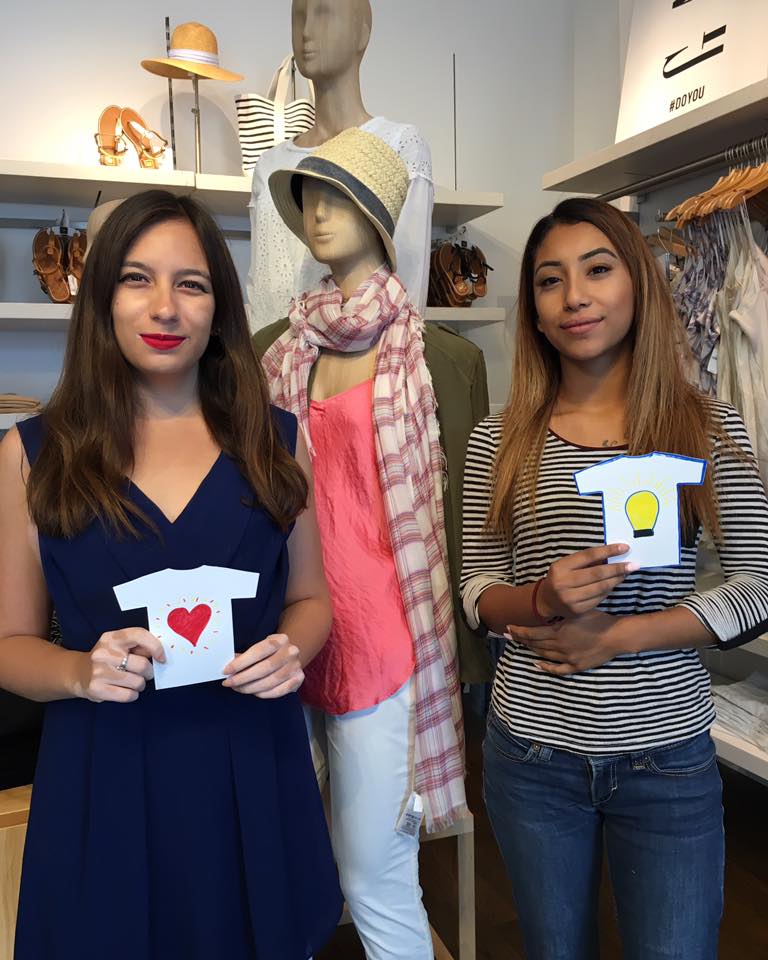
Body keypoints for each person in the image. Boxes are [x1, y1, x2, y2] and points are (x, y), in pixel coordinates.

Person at [0, 190, 342, 960]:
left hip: (252, 763)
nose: (165, 306)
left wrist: (292, 649)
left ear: (219, 307)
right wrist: (80, 672)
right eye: (136, 278)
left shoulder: (275, 440)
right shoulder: (31, 455)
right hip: (105, 771)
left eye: (191, 283)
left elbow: (311, 598)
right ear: (101, 298)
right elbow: (9, 644)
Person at [460, 197, 768, 960]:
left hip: (668, 754)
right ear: (534, 311)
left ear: (638, 283)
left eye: (597, 270)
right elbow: (476, 588)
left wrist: (616, 638)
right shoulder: (499, 438)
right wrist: (541, 597)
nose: (575, 297)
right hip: (531, 754)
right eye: (550, 280)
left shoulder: (705, 426)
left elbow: (759, 585)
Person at [254, 127, 476, 960]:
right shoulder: (279, 353)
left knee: (375, 877)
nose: (317, 213)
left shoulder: (432, 357)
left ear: (378, 216)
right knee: (287, 862)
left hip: (382, 636)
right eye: (308, 196)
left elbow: (451, 522)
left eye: (338, 197)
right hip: (288, 627)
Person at [247, 0, 433, 328]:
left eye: (324, 13)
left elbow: (408, 291)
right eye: (299, 17)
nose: (306, 31)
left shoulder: (398, 144)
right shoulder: (270, 164)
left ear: (363, 32)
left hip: (366, 355)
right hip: (274, 354)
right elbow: (261, 287)